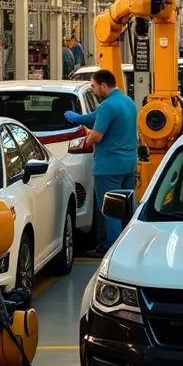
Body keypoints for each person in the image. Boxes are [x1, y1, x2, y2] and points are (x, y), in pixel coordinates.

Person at [63, 69, 138, 253]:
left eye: (94, 86)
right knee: (124, 208)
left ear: (104, 86)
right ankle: (122, 244)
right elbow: (96, 118)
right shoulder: (127, 102)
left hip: (109, 166)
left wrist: (87, 138)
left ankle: (112, 249)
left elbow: (96, 135)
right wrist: (80, 119)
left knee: (110, 209)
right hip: (128, 164)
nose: (93, 89)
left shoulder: (107, 106)